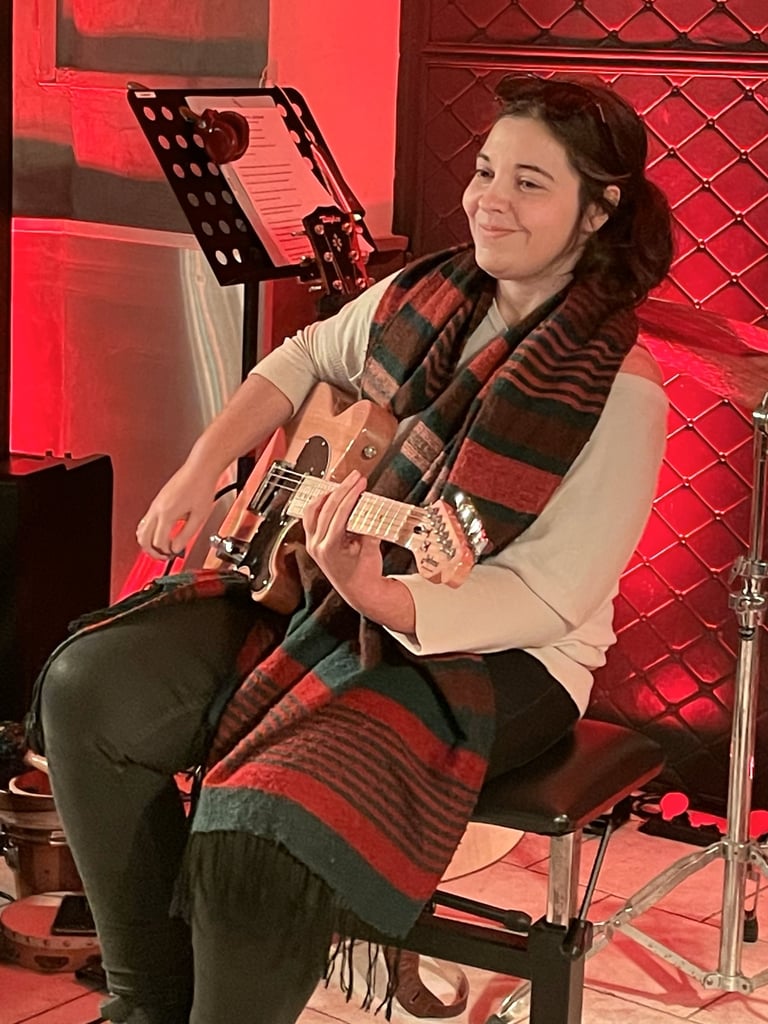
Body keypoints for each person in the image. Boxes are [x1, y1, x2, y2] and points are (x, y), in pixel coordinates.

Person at [28, 73, 673, 1024]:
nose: (489, 200)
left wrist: (385, 600)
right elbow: (304, 359)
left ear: (598, 210)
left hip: (506, 655)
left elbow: (549, 594)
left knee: (269, 822)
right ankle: (147, 1003)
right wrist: (202, 465)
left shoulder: (620, 391)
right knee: (90, 687)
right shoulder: (426, 294)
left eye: (530, 183)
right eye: (485, 171)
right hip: (329, 592)